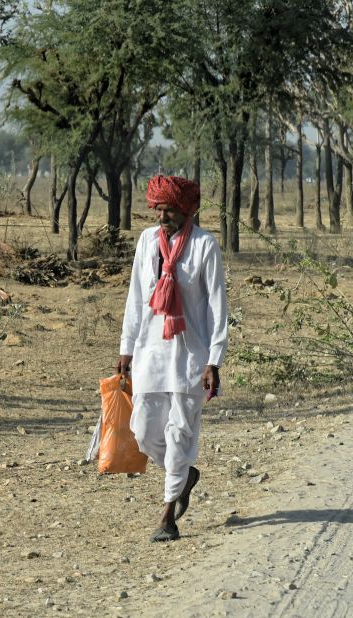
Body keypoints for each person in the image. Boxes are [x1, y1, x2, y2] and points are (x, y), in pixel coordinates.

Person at [116, 175, 228, 542]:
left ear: (186, 210)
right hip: (150, 352)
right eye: (158, 209)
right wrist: (126, 348)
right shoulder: (147, 242)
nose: (163, 215)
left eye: (170, 209)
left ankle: (167, 517)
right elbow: (135, 299)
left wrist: (214, 359)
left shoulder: (204, 246)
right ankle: (184, 476)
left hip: (191, 356)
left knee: (180, 434)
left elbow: (216, 308)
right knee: (144, 432)